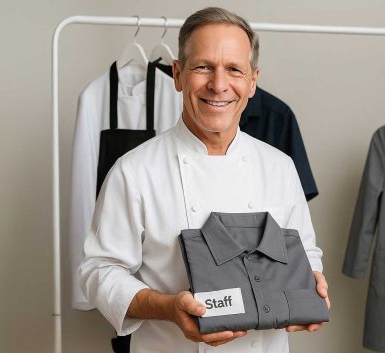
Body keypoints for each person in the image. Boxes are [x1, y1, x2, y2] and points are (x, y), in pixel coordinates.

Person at [79, 7, 330, 353]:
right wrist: (167, 307)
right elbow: (99, 272)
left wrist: (310, 286)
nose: (219, 84)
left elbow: (304, 251)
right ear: (178, 75)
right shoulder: (134, 171)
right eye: (203, 67)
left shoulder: (281, 167)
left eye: (234, 69)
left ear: (253, 81)